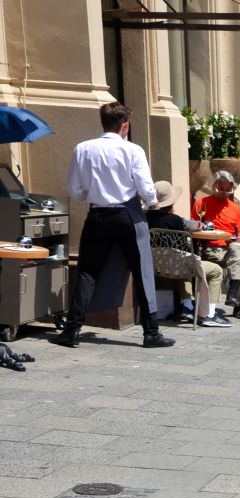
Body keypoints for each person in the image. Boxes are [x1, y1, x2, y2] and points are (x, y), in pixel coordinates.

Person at [55, 101, 174, 348]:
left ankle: (72, 330)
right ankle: (151, 333)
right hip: (127, 214)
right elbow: (145, 188)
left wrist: (92, 195)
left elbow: (73, 188)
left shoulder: (83, 148)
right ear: (125, 126)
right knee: (141, 272)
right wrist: (152, 202)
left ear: (103, 122)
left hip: (97, 215)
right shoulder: (133, 150)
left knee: (88, 272)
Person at [145, 180, 231, 327]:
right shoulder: (175, 220)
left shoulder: (145, 218)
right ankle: (209, 314)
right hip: (178, 265)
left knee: (180, 262)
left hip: (156, 266)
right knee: (216, 270)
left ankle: (188, 307)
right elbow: (185, 246)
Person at [191, 171, 240, 320]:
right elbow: (193, 226)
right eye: (221, 189)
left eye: (228, 190)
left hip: (229, 248)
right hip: (210, 248)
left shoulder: (234, 208)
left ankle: (232, 294)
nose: (225, 193)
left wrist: (236, 243)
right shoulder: (202, 203)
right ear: (214, 186)